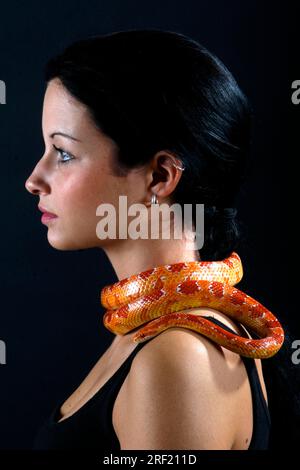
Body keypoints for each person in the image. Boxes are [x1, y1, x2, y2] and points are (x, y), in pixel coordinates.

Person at [24, 29, 298, 450]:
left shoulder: (175, 358)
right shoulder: (154, 333)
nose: (33, 180)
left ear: (160, 176)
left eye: (63, 153)